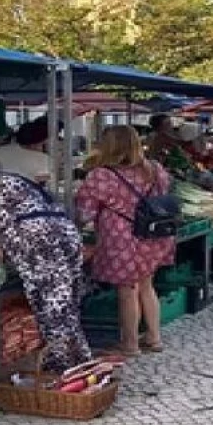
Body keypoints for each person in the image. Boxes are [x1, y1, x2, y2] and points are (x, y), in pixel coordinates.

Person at [0, 156, 92, 373]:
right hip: (65, 234)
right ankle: (80, 362)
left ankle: (65, 368)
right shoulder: (13, 180)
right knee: (66, 305)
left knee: (50, 306)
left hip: (37, 240)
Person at [75, 126, 175, 356]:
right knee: (147, 286)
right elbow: (164, 194)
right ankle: (154, 337)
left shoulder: (102, 175)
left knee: (127, 290)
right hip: (152, 234)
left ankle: (130, 344)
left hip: (121, 236)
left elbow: (85, 213)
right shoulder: (154, 169)